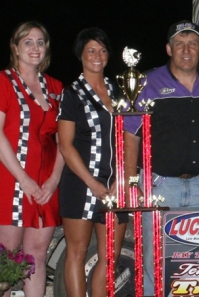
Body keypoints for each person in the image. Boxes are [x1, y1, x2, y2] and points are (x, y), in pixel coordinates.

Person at [123, 20, 199, 296]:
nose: (186, 50)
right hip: (160, 187)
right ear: (168, 49)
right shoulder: (146, 82)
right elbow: (130, 136)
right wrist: (132, 182)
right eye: (179, 44)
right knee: (155, 262)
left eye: (192, 43)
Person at [57, 28, 127, 297]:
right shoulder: (71, 93)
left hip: (115, 185)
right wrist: (93, 184)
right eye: (91, 51)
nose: (97, 56)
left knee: (110, 256)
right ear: (80, 55)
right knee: (76, 252)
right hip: (81, 183)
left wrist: (124, 179)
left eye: (102, 50)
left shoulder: (119, 89)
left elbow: (129, 138)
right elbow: (65, 145)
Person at [0, 21, 64, 297]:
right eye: (28, 41)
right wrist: (24, 180)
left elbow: (64, 140)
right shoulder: (3, 81)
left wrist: (54, 179)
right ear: (15, 47)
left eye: (40, 42)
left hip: (46, 183)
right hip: (12, 181)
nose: (35, 48)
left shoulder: (56, 86)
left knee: (36, 257)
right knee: (7, 259)